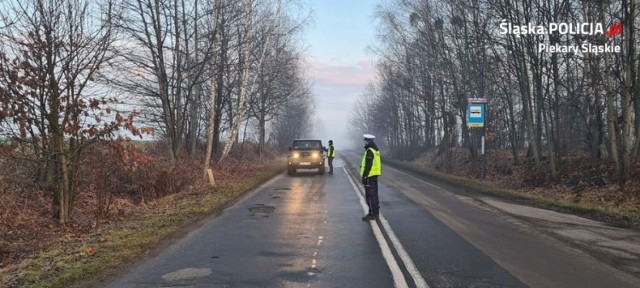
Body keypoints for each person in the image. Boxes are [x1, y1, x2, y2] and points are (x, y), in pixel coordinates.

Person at [360, 134, 381, 221]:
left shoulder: (369, 151)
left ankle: (372, 214)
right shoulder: (375, 150)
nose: (364, 142)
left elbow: (368, 165)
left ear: (367, 141)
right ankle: (376, 213)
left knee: (370, 196)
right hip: (374, 175)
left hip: (369, 176)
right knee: (375, 195)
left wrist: (365, 176)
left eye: (365, 141)